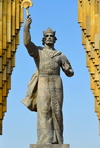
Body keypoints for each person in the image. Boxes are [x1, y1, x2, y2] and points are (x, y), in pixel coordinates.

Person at [21, 16, 74, 144]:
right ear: (44, 39)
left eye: (51, 36)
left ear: (54, 39)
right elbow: (27, 43)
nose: (49, 37)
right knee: (44, 110)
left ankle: (57, 140)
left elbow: (70, 72)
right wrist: (26, 28)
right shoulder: (38, 52)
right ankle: (44, 140)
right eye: (47, 36)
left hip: (57, 82)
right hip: (43, 80)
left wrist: (68, 70)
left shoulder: (60, 55)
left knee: (56, 111)